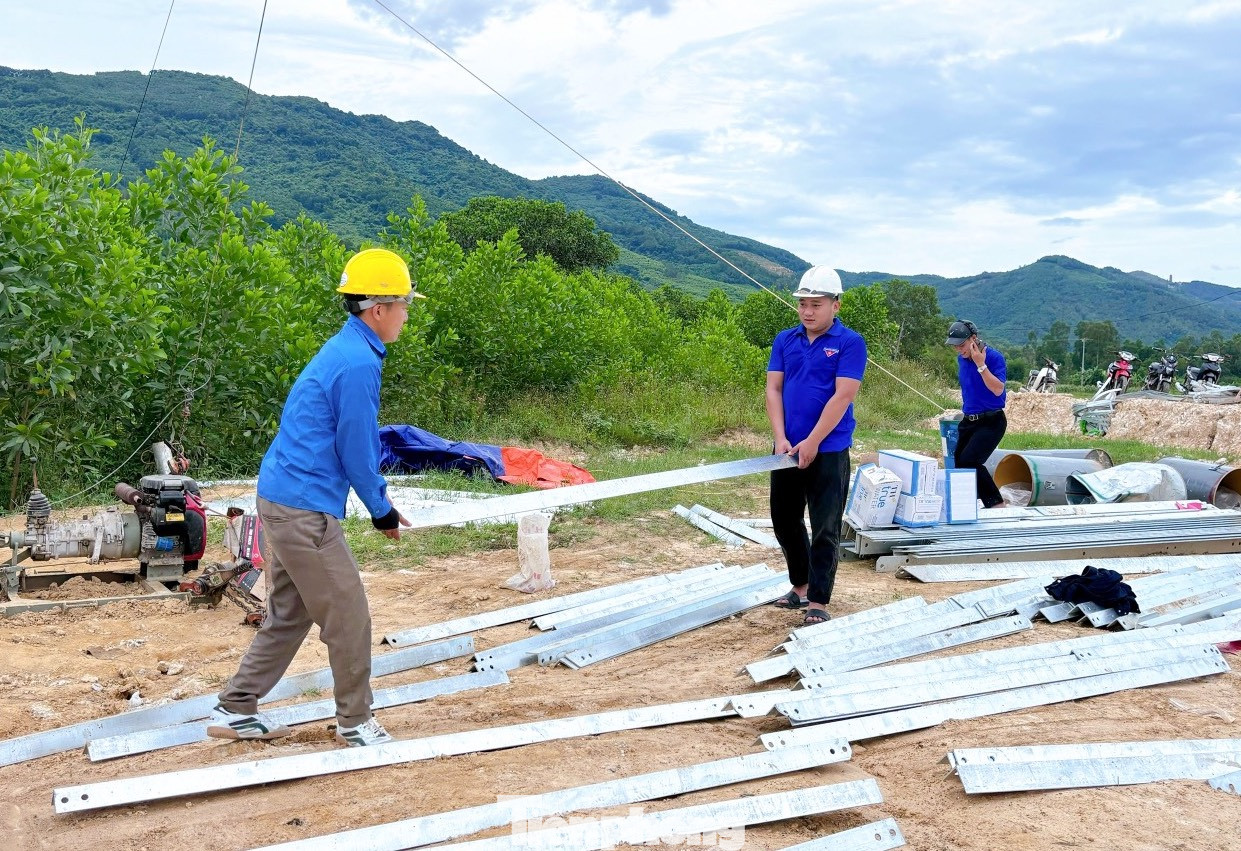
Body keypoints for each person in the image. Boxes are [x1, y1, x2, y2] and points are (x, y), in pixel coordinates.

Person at [207, 248, 420, 747]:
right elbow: (357, 446)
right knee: (348, 616)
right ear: (378, 309)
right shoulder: (356, 365)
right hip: (303, 510)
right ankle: (355, 722)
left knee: (291, 612)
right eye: (405, 304)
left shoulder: (347, 349)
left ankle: (237, 705)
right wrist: (381, 508)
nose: (407, 315)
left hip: (281, 498)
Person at [766, 266, 867, 626]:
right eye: (803, 304)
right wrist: (781, 438)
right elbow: (774, 389)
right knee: (785, 519)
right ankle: (802, 585)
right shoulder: (785, 340)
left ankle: (819, 601)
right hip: (786, 448)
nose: (808, 312)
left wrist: (813, 441)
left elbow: (843, 396)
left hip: (828, 449)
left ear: (835, 305)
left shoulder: (850, 343)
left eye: (817, 304)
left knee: (825, 525)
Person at [946, 319, 1007, 509]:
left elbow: (998, 390)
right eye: (955, 346)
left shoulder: (994, 357)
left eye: (962, 345)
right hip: (969, 420)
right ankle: (966, 506)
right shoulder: (961, 359)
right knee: (959, 464)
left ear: (974, 338)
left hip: (991, 420)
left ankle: (996, 504)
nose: (958, 349)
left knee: (971, 461)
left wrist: (981, 365)